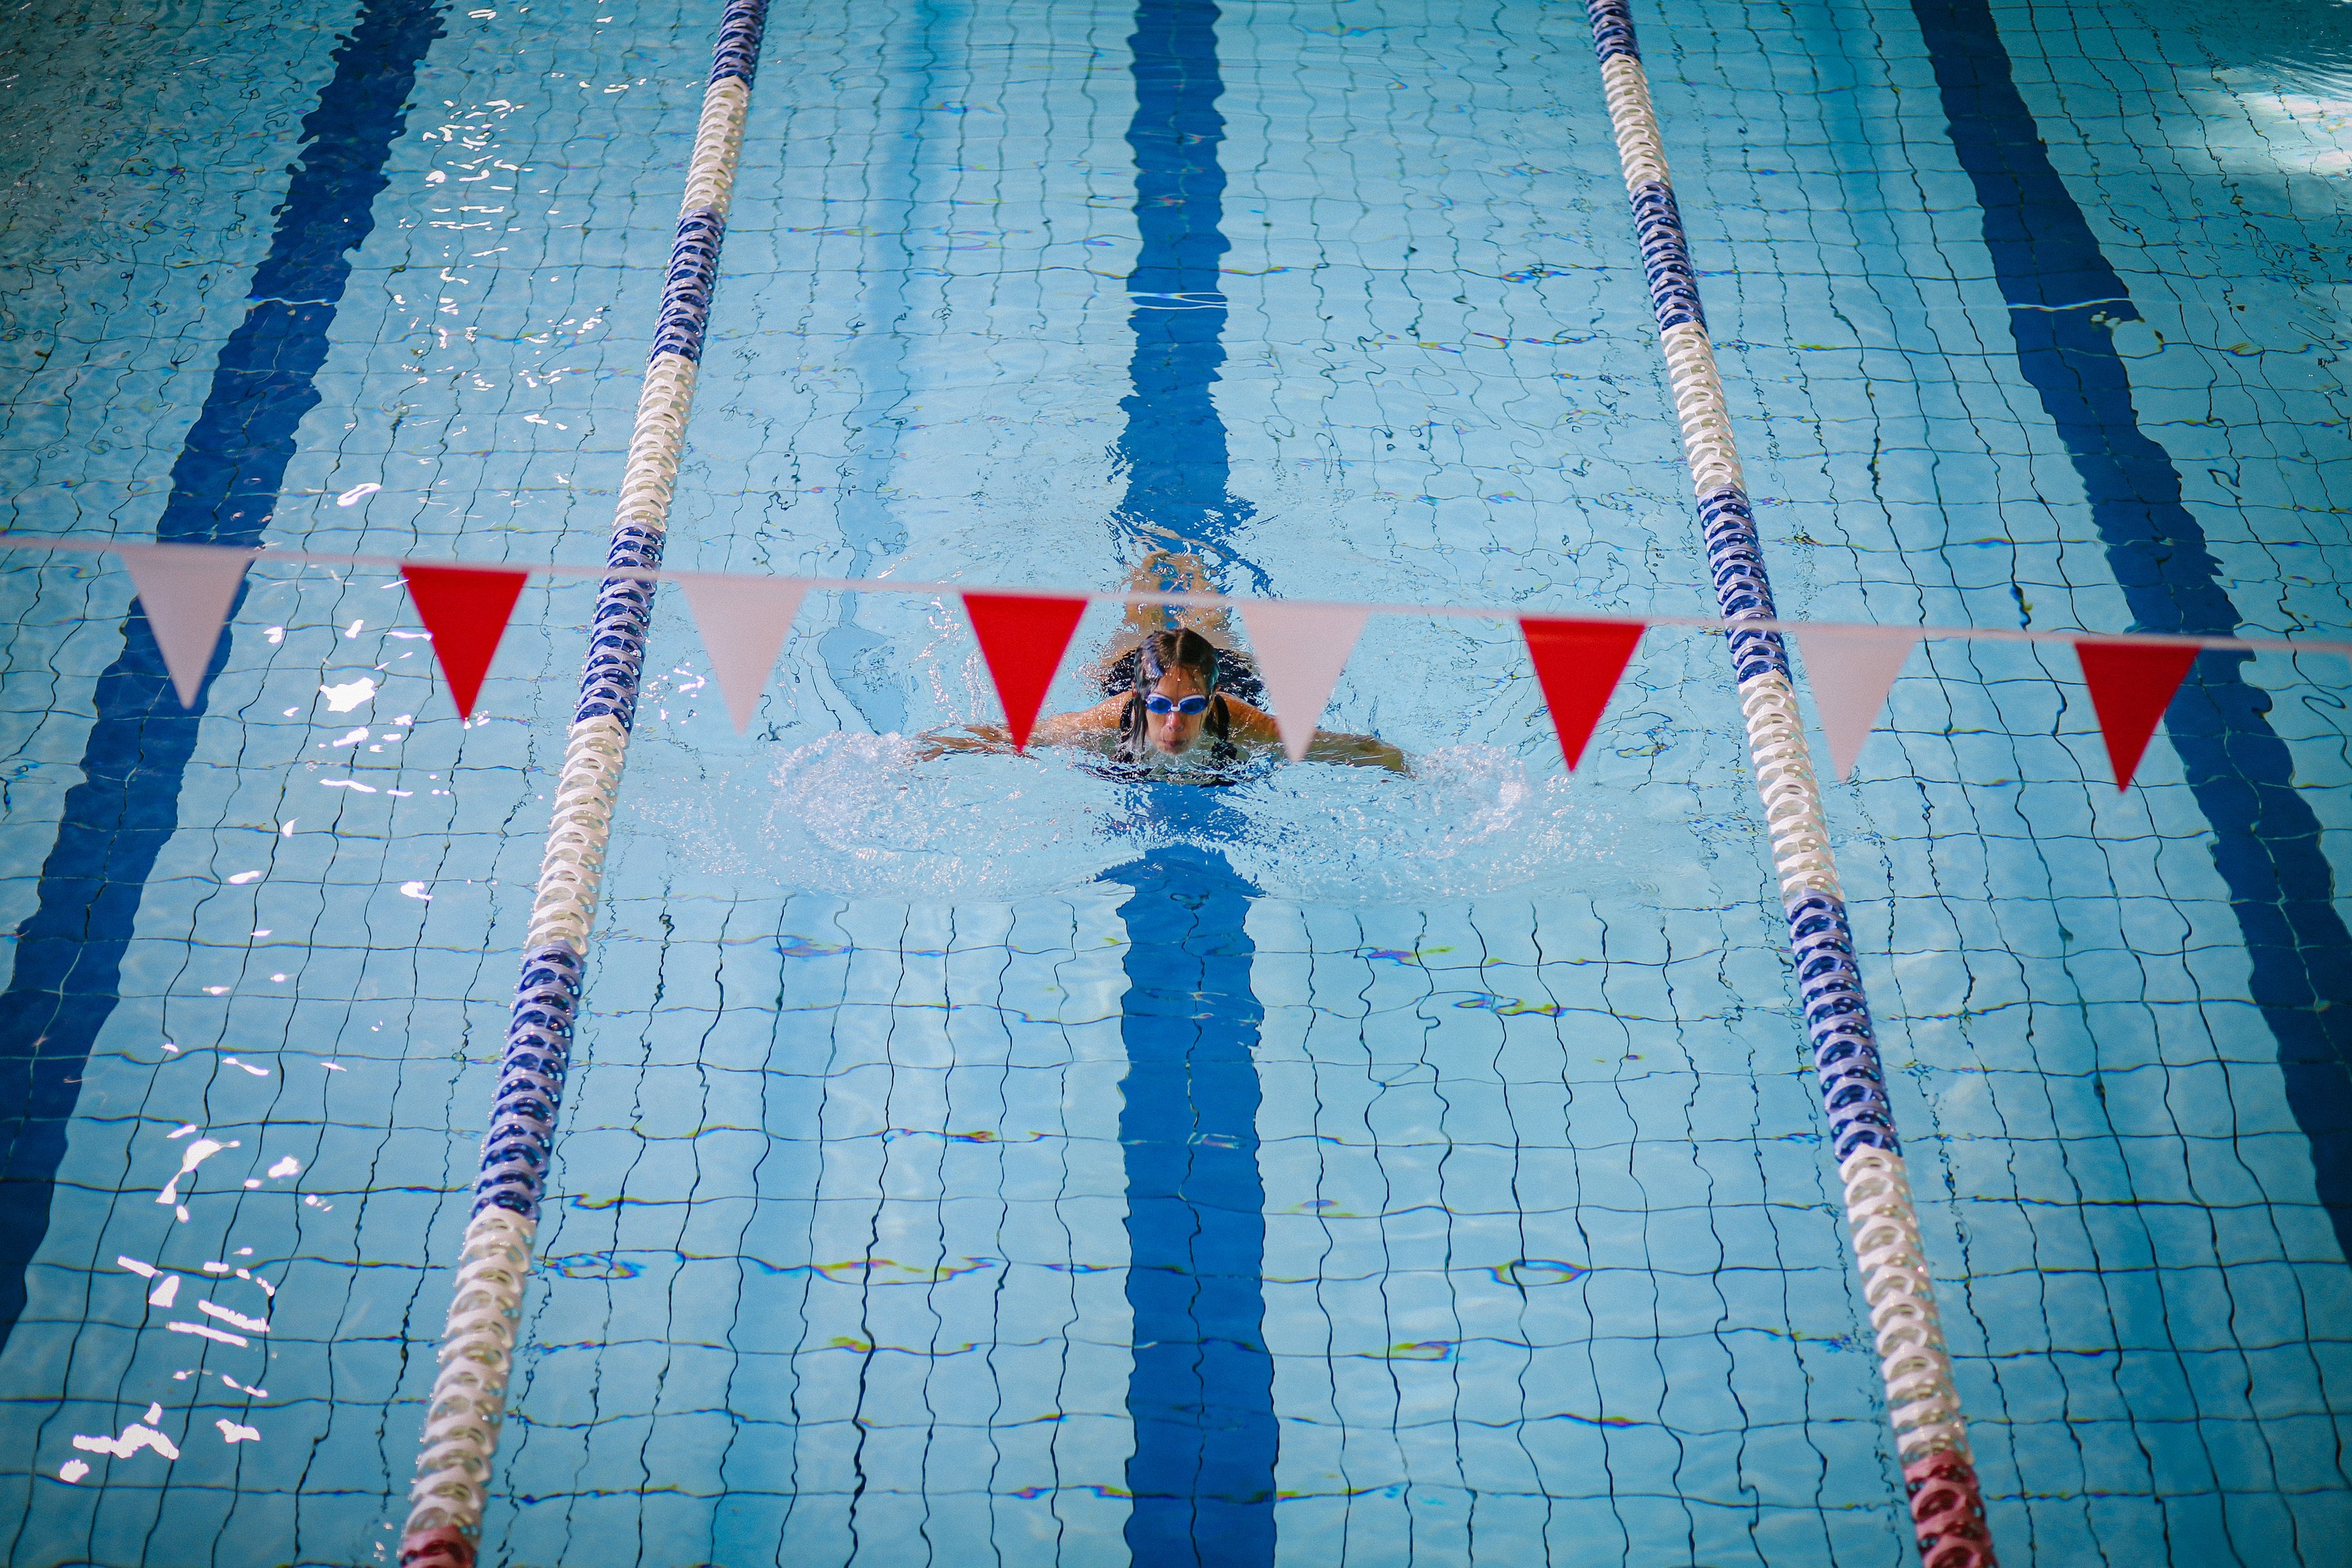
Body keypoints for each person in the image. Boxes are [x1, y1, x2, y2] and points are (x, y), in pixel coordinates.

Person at [918, 554, 1407, 776]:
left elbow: (1352, 747)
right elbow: (1014, 735)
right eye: (1161, 706)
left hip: (1219, 666)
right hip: (1139, 666)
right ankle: (1149, 566)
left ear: (1211, 702)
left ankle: (1195, 568)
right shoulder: (1112, 718)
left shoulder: (1239, 721)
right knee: (1140, 615)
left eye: (1193, 706)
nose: (1175, 722)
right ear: (1139, 700)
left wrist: (1408, 769)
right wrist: (932, 748)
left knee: (1208, 620)